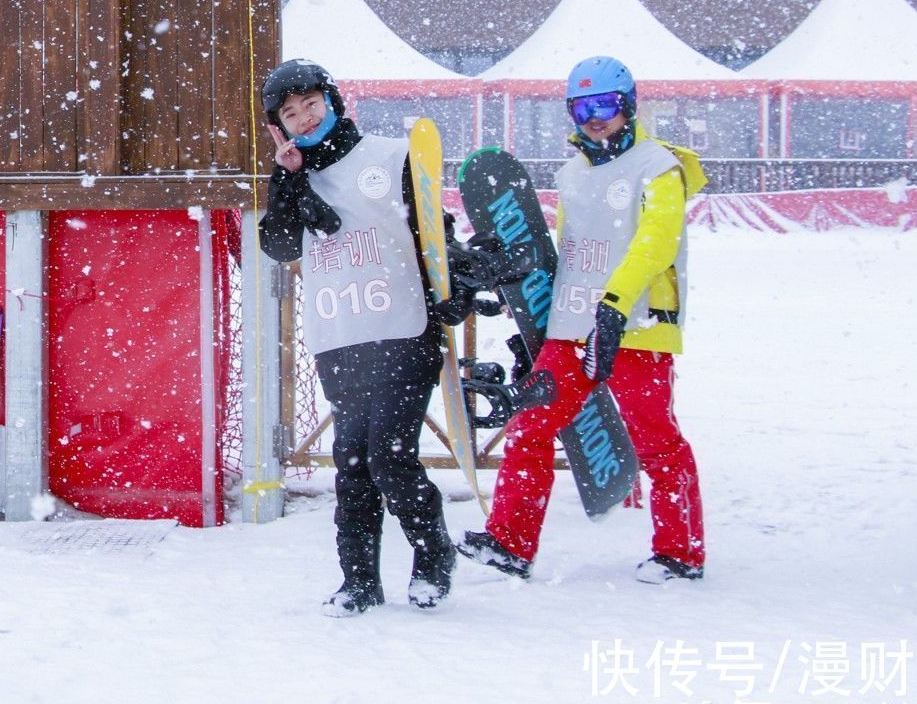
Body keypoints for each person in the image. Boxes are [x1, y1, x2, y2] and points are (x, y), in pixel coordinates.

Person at [258, 59, 509, 616]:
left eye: (311, 104)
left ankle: (433, 551)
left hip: (402, 328)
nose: (305, 118)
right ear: (280, 126)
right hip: (340, 335)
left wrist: (455, 288)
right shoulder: (296, 179)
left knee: (388, 458)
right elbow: (279, 246)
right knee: (352, 463)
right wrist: (288, 177)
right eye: (291, 114)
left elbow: (434, 235)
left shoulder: (391, 156)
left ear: (332, 100)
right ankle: (359, 582)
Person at [458, 55, 707, 585]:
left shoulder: (659, 166)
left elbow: (655, 243)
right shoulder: (572, 174)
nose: (596, 118)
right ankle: (510, 541)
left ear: (629, 105)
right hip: (572, 329)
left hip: (637, 325)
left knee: (656, 440)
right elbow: (571, 254)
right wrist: (540, 314)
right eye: (582, 108)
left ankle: (680, 553)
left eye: (607, 105)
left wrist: (614, 305)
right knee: (530, 427)